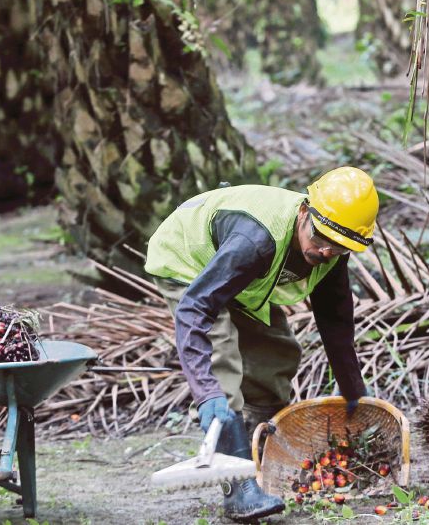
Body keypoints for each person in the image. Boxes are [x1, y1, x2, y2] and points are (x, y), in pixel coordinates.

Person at [145, 166, 378, 522]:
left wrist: (352, 389)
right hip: (188, 258)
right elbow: (196, 309)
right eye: (320, 238)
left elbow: (336, 321)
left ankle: (257, 460)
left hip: (239, 273)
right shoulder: (256, 241)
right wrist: (208, 394)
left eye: (340, 247)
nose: (326, 251)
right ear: (304, 212)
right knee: (222, 354)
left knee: (276, 352)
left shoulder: (332, 246)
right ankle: (237, 488)